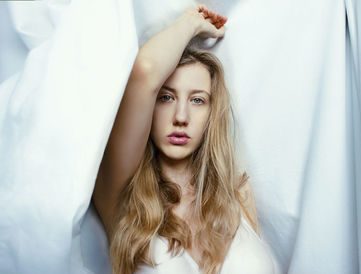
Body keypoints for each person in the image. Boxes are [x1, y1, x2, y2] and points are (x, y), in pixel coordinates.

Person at [93, 5, 280, 274]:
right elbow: (145, 71)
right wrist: (191, 22)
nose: (181, 116)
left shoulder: (237, 194)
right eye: (166, 97)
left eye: (197, 100)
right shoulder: (125, 195)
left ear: (211, 113)